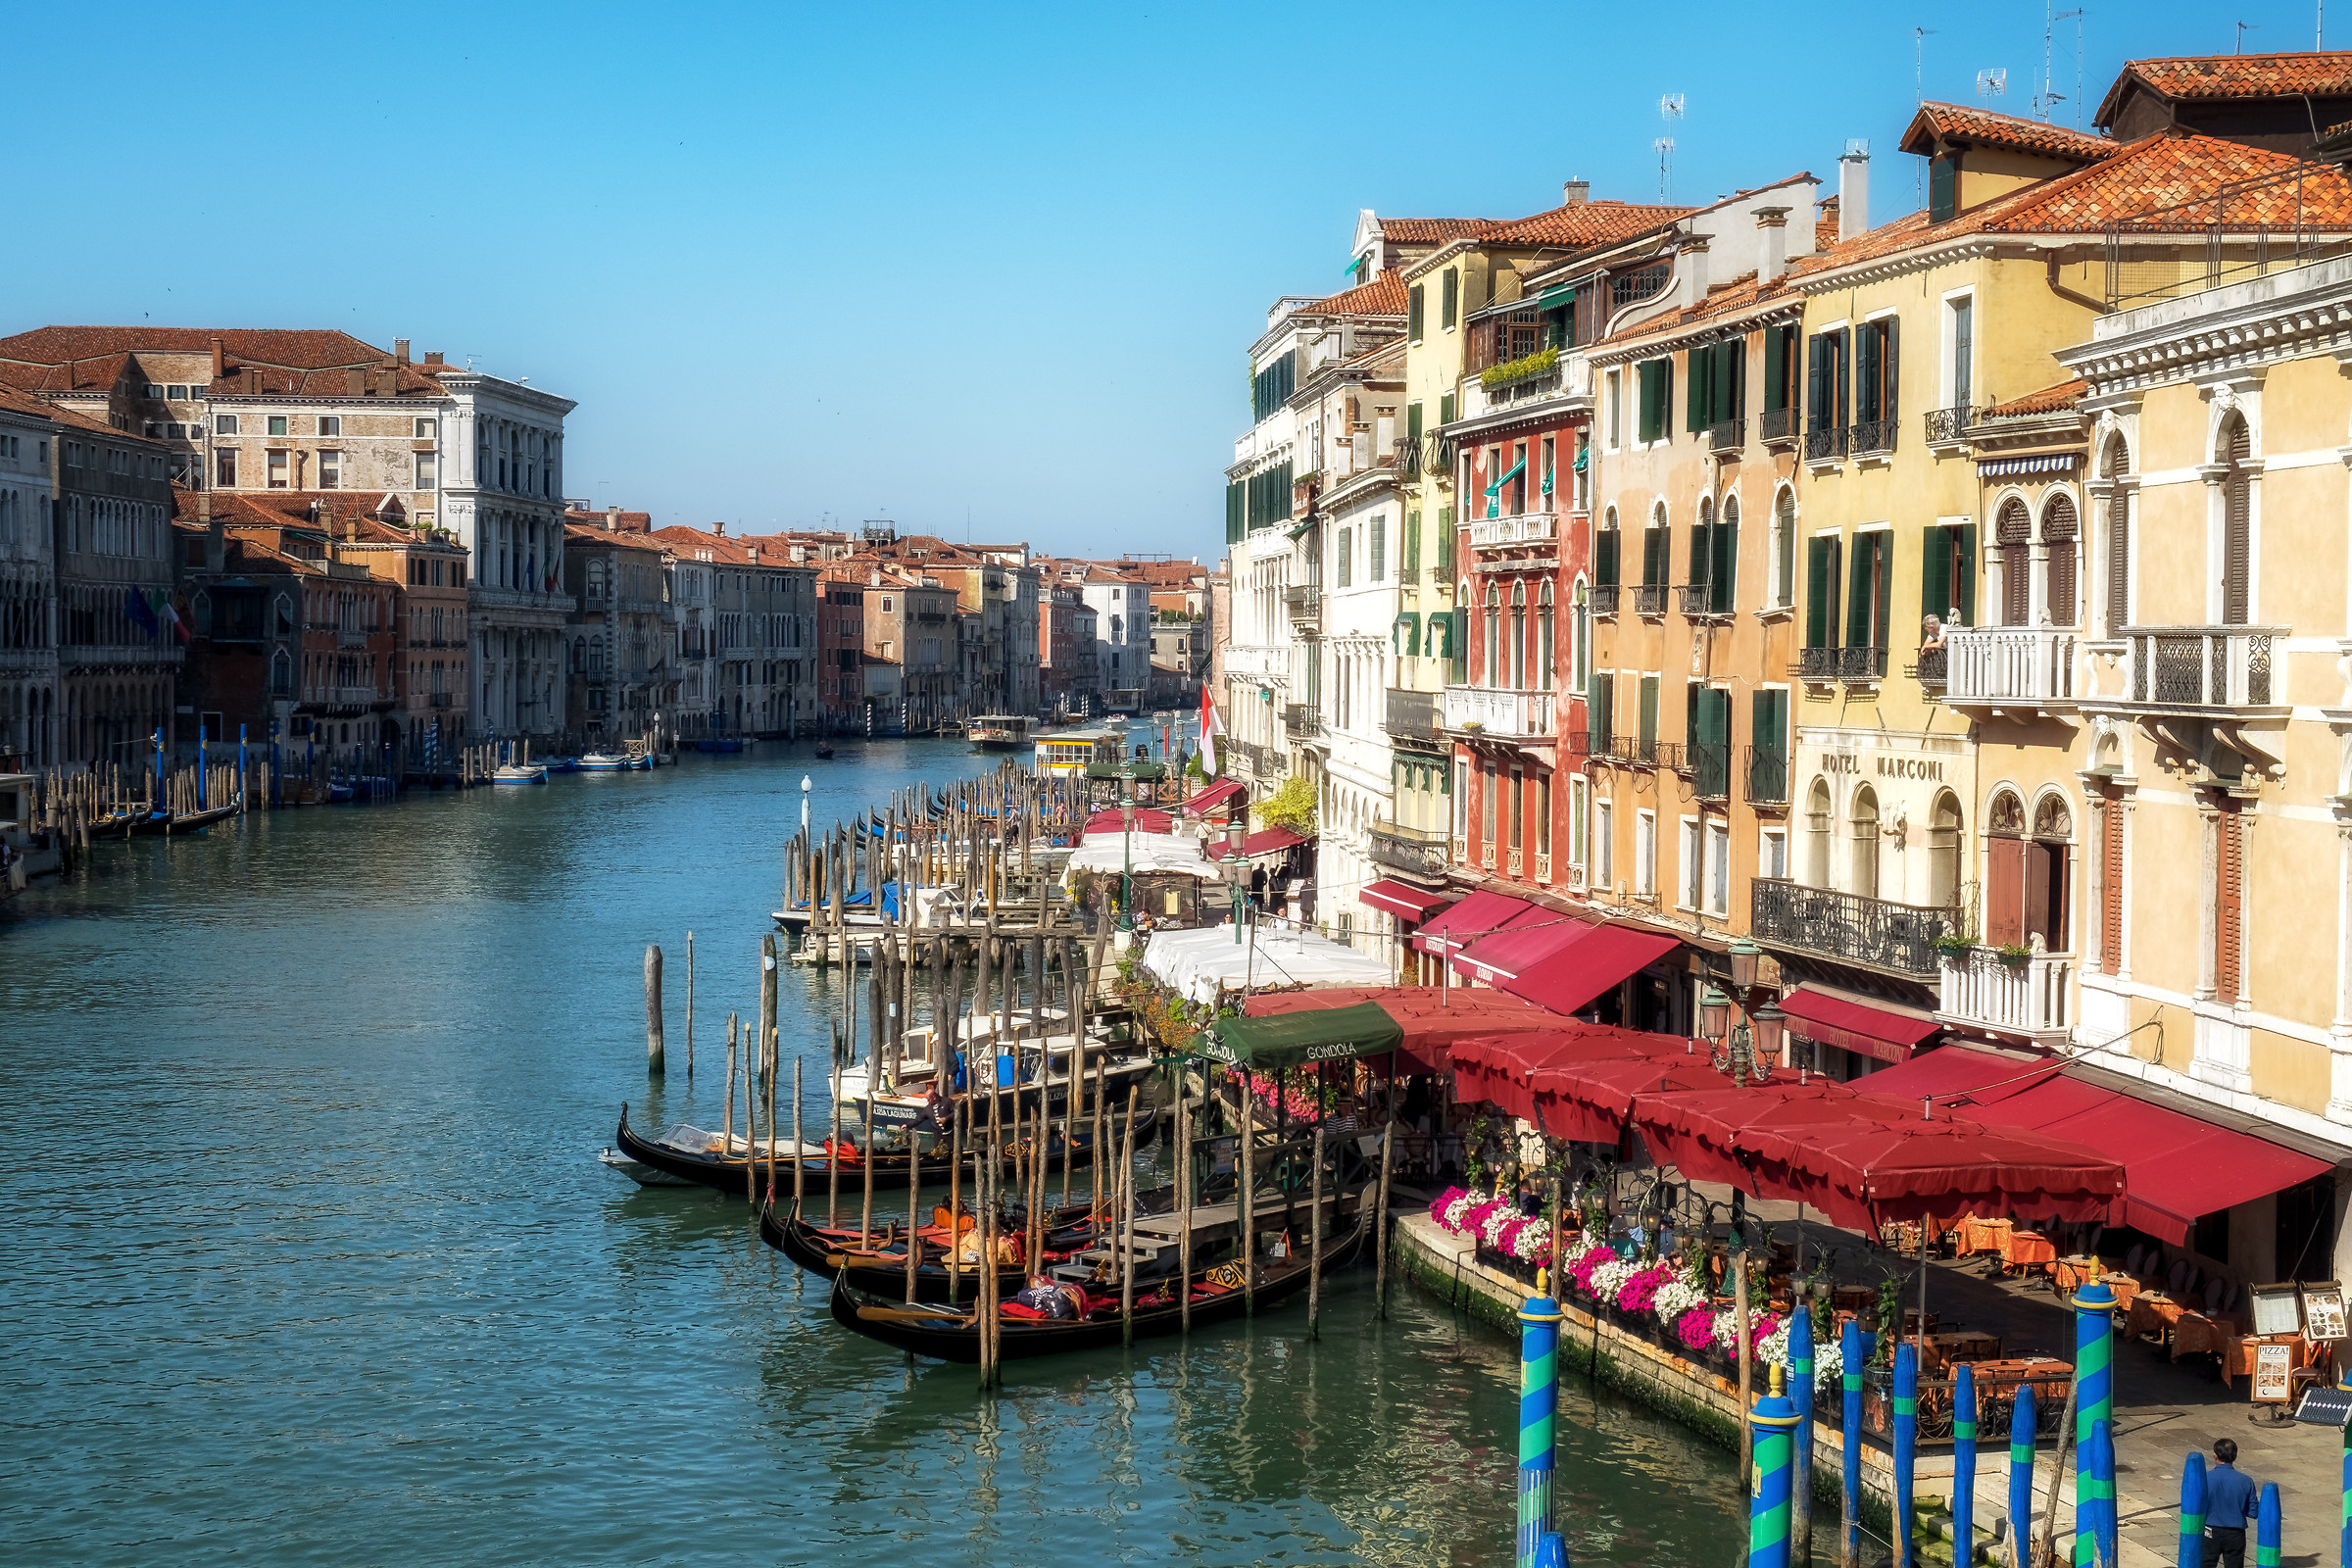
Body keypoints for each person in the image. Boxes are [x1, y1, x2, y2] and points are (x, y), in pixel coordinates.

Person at [2203, 1438, 2259, 1567]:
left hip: (2210, 1530)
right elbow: (2253, 1512)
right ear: (2235, 1456)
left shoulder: (2205, 1479)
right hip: (2235, 1533)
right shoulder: (2246, 1481)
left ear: (2215, 1455)